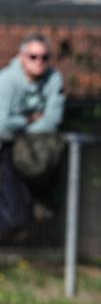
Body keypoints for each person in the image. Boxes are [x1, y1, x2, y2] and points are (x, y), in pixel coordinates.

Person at [0, 33, 65, 240]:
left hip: (33, 153)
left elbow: (53, 120)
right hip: (5, 152)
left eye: (44, 57)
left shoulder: (54, 79)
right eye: (33, 56)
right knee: (13, 216)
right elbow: (1, 126)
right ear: (22, 57)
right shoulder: (7, 81)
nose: (39, 62)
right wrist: (28, 120)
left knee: (24, 216)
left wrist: (19, 126)